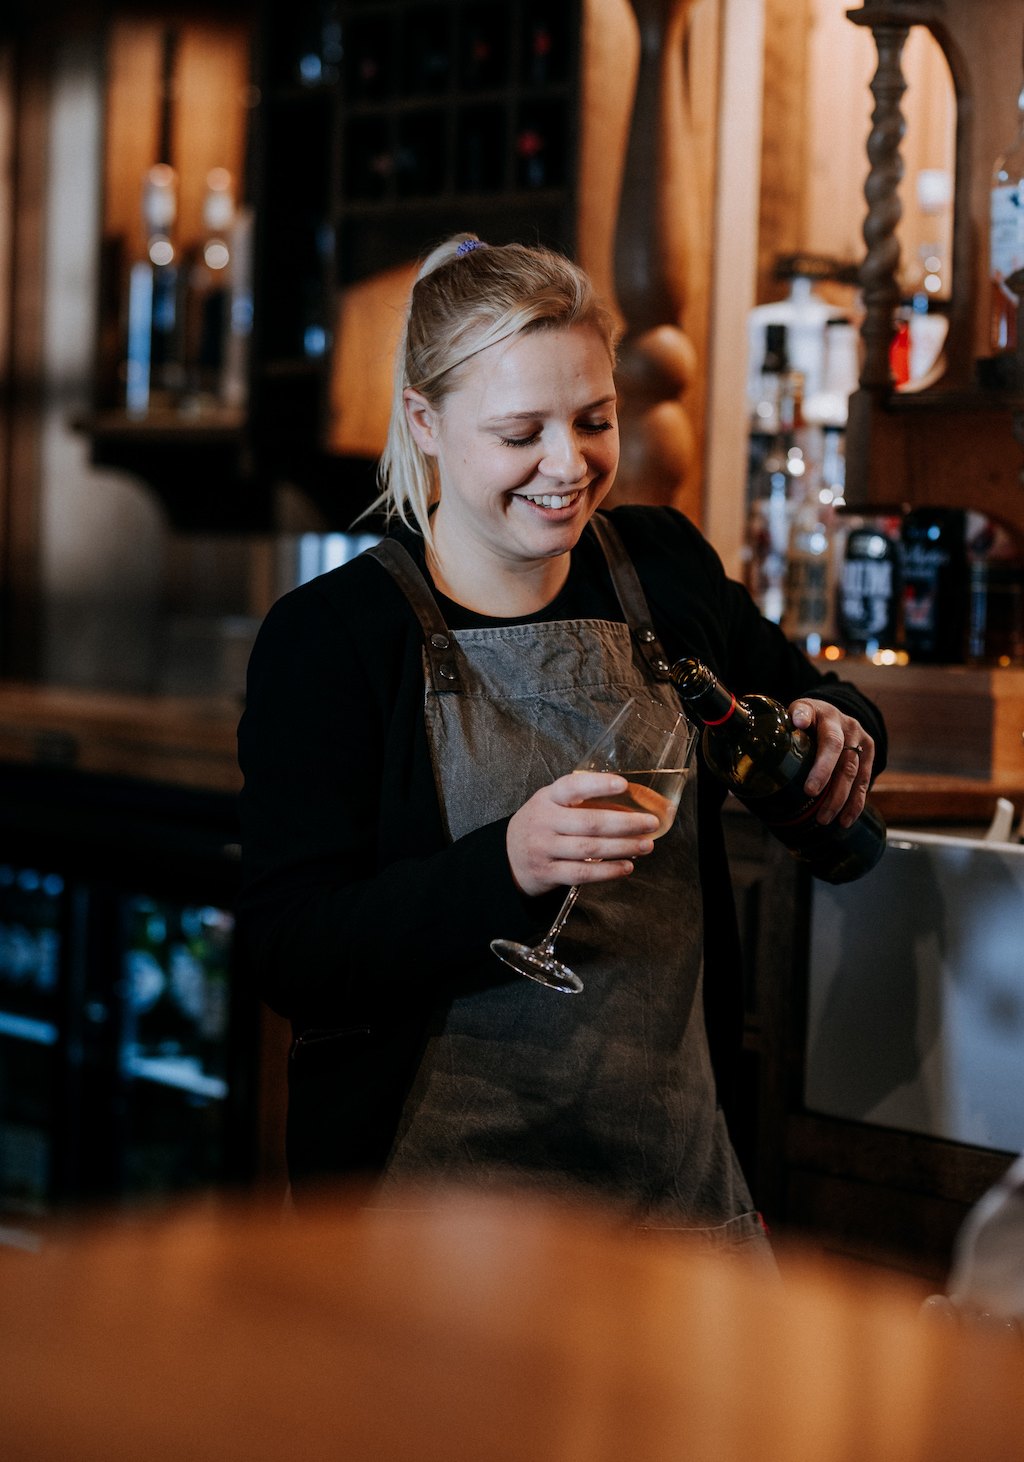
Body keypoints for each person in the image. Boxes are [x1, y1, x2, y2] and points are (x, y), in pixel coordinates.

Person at [237, 235, 885, 1245]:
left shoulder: (661, 568)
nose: (568, 464)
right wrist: (507, 865)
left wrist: (838, 727)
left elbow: (816, 697)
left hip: (674, 1192)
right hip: (437, 1224)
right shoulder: (333, 637)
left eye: (593, 420)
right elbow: (291, 952)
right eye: (519, 432)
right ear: (424, 421)